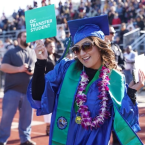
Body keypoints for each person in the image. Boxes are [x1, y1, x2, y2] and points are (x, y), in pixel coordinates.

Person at [27, 15, 144, 145]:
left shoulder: (115, 79)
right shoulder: (65, 69)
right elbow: (38, 96)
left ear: (100, 45)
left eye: (87, 46)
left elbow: (122, 124)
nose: (82, 53)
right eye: (76, 49)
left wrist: (131, 94)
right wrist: (41, 62)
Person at [0, 31, 36, 145]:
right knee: (6, 118)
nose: (27, 38)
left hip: (28, 92)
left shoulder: (33, 53)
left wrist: (31, 71)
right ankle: (2, 140)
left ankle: (25, 139)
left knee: (27, 118)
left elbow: (35, 68)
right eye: (25, 36)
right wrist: (19, 69)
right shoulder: (11, 52)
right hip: (12, 91)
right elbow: (3, 67)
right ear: (19, 38)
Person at [105, 26, 125, 145]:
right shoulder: (100, 48)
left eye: (113, 33)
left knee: (118, 112)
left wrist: (119, 67)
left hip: (117, 84)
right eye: (110, 32)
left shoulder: (116, 47)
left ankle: (117, 141)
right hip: (105, 84)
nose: (112, 35)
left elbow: (123, 62)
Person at [43, 38, 61, 135]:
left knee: (56, 105)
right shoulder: (44, 58)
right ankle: (48, 126)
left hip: (57, 85)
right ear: (46, 47)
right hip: (47, 85)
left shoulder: (58, 57)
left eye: (53, 46)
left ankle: (56, 125)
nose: (52, 48)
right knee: (48, 105)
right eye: (50, 46)